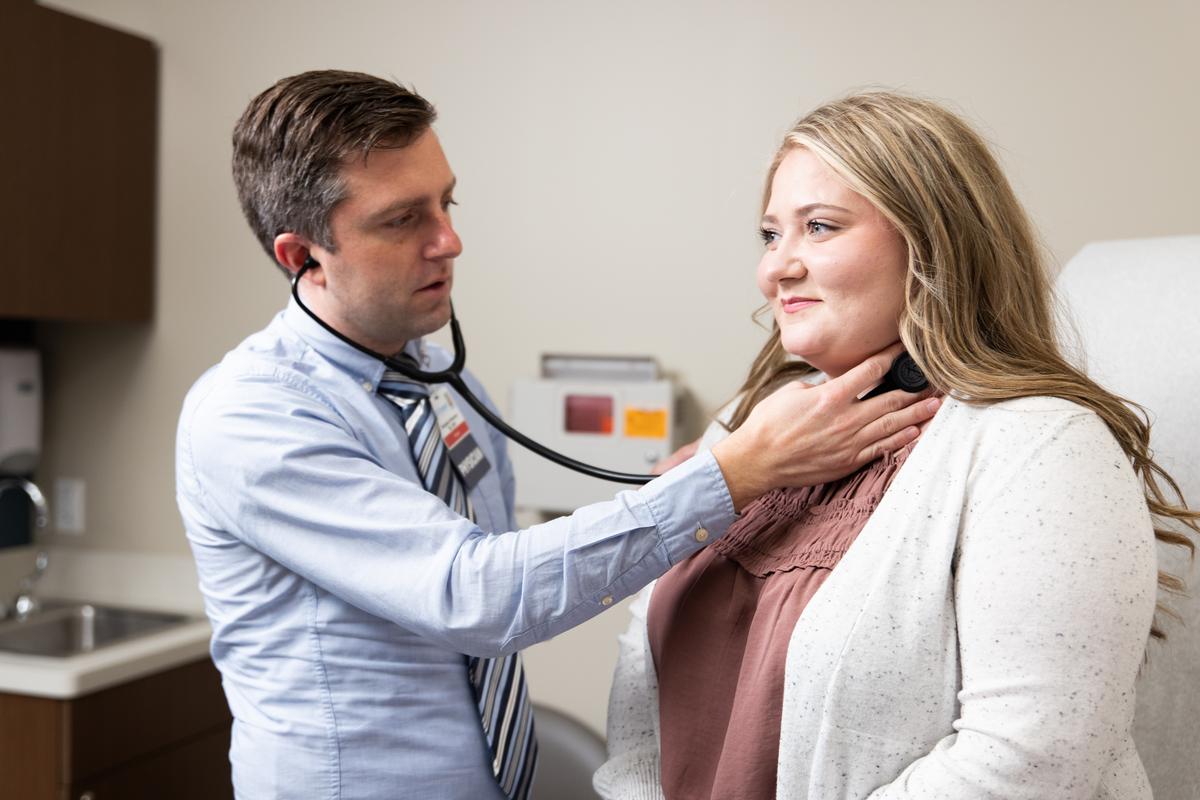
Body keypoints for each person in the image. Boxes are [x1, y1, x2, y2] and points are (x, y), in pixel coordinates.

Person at [174, 71, 940, 800]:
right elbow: (480, 592)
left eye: (446, 203)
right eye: (403, 220)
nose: (449, 242)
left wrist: (700, 475)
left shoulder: (440, 379)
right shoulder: (250, 418)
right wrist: (728, 477)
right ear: (302, 255)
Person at [595, 91, 1200, 800]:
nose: (776, 269)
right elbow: (641, 724)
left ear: (933, 239)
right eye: (770, 235)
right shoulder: (746, 426)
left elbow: (1029, 763)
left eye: (819, 227)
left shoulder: (1042, 447)